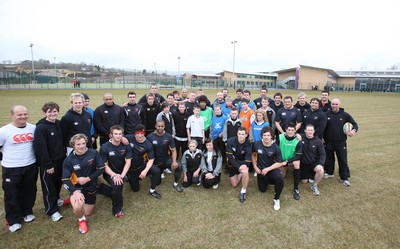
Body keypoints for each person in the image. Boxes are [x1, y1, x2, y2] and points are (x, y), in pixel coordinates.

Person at [0, 105, 38, 232]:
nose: (23, 117)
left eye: (25, 114)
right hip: (11, 168)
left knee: (29, 191)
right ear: (12, 115)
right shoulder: (4, 131)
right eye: (19, 114)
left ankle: (27, 212)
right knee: (12, 194)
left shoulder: (33, 128)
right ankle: (13, 220)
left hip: (30, 165)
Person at [62, 134, 105, 234]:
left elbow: (101, 168)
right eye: (78, 144)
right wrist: (74, 192)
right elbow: (65, 179)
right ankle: (81, 220)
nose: (81, 146)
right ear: (73, 145)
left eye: (83, 143)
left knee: (87, 212)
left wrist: (88, 179)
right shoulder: (69, 160)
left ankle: (71, 200)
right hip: (78, 187)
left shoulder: (93, 153)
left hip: (91, 185)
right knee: (78, 207)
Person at [33, 102, 65, 222]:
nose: (52, 114)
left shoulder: (58, 123)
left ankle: (56, 199)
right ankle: (51, 210)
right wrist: (47, 165)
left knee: (57, 183)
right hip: (49, 163)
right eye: (50, 112)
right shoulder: (41, 128)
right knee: (49, 187)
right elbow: (41, 148)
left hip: (60, 160)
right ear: (45, 113)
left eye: (54, 111)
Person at [323, 98, 358, 187]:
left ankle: (344, 177)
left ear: (339, 104)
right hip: (328, 141)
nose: (334, 105)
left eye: (336, 104)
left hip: (341, 142)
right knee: (329, 158)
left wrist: (353, 131)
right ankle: (329, 172)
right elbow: (323, 127)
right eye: (333, 104)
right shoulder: (326, 114)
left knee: (342, 159)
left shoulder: (345, 115)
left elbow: (355, 124)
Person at [99, 125, 132, 218]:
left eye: (120, 134)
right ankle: (117, 209)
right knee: (118, 185)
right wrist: (114, 176)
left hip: (122, 172)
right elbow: (104, 165)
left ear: (122, 135)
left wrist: (122, 175)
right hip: (109, 173)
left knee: (118, 186)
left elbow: (128, 162)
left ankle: (101, 188)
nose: (118, 136)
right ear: (111, 135)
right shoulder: (104, 147)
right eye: (115, 134)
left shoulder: (126, 146)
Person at [125, 124, 162, 199]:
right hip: (130, 168)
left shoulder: (148, 144)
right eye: (138, 133)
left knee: (156, 171)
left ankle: (152, 190)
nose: (139, 136)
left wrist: (145, 171)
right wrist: (122, 139)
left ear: (144, 133)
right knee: (135, 189)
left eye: (142, 133)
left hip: (140, 165)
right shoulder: (129, 137)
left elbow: (151, 159)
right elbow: (118, 137)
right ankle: (129, 176)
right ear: (135, 133)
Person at [252, 126, 284, 211]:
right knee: (262, 190)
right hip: (261, 170)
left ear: (271, 136)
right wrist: (255, 166)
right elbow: (253, 154)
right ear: (262, 136)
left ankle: (276, 198)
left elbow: (279, 163)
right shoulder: (256, 144)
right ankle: (269, 181)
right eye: (264, 135)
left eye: (268, 135)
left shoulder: (275, 147)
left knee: (280, 178)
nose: (266, 137)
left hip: (271, 169)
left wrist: (268, 169)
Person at [147, 120, 183, 192]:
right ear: (155, 126)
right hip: (155, 162)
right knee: (158, 183)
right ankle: (154, 173)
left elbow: (173, 150)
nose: (160, 128)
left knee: (179, 166)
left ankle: (176, 184)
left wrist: (174, 161)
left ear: (164, 126)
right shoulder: (150, 136)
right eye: (158, 126)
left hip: (166, 160)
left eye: (162, 126)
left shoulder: (168, 136)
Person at [226, 127, 252, 203]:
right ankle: (240, 174)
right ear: (237, 134)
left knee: (245, 171)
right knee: (234, 185)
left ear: (246, 135)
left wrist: (242, 166)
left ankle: (243, 191)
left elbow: (247, 160)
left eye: (243, 134)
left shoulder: (248, 144)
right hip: (232, 163)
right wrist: (239, 166)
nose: (241, 136)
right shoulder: (230, 141)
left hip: (242, 163)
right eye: (239, 134)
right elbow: (230, 157)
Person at [278, 123, 303, 200]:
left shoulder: (298, 140)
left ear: (295, 131)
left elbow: (298, 156)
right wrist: (280, 161)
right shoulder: (280, 137)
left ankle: (296, 189)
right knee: (281, 177)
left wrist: (287, 161)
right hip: (281, 160)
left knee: (297, 163)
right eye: (289, 130)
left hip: (291, 160)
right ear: (286, 130)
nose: (290, 132)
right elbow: (275, 149)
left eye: (292, 130)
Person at [300, 124, 326, 196]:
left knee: (320, 170)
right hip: (303, 164)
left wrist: (320, 164)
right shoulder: (300, 137)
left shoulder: (318, 141)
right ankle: (309, 176)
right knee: (303, 181)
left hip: (313, 163)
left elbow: (322, 154)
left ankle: (314, 185)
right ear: (305, 131)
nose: (310, 132)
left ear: (314, 131)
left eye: (311, 130)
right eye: (308, 130)